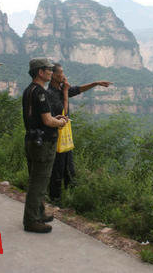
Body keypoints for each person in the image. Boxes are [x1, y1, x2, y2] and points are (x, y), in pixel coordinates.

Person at [47, 63, 112, 203]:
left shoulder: (60, 89)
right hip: (56, 137)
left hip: (66, 137)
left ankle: (72, 198)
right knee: (57, 169)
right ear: (53, 75)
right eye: (61, 73)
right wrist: (65, 92)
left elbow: (78, 90)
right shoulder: (51, 93)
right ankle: (55, 199)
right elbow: (62, 113)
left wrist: (95, 83)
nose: (63, 76)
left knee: (69, 168)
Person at [22, 58, 68, 233]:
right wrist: (61, 122)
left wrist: (54, 120)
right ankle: (31, 220)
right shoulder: (40, 93)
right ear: (40, 72)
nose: (51, 72)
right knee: (38, 183)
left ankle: (39, 213)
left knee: (36, 179)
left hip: (32, 140)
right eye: (48, 69)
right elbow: (47, 120)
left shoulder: (29, 90)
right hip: (43, 143)